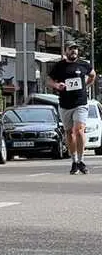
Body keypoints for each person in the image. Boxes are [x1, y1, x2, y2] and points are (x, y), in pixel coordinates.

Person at [47, 41, 96, 175]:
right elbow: (49, 80)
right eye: (71, 49)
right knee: (69, 132)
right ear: (66, 51)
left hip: (81, 103)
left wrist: (86, 85)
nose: (74, 51)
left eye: (75, 49)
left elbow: (93, 75)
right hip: (65, 104)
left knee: (79, 130)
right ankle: (74, 161)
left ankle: (81, 160)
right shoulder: (59, 66)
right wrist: (57, 86)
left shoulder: (83, 64)